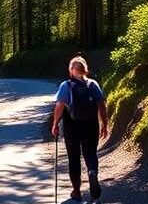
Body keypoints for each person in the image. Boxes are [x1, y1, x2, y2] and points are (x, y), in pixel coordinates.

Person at [51, 56, 109, 202]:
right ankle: (92, 172)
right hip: (91, 125)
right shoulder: (93, 84)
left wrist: (55, 123)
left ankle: (76, 192)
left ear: (71, 70)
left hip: (72, 127)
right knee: (91, 153)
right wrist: (104, 124)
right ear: (85, 70)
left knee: (74, 157)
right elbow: (101, 105)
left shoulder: (66, 85)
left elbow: (59, 106)